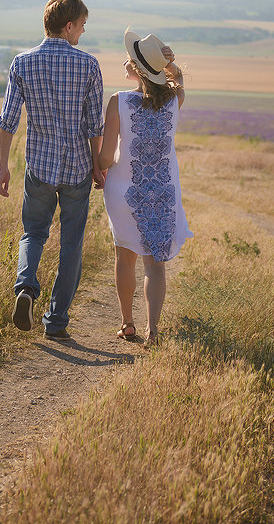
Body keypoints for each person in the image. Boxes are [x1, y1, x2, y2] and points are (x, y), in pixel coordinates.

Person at [0, 0, 104, 341]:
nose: (83, 33)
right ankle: (56, 321)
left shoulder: (21, 63)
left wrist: (2, 167)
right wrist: (98, 165)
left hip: (39, 167)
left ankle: (26, 288)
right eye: (82, 26)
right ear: (68, 25)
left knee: (34, 233)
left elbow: (8, 121)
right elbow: (93, 126)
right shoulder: (88, 65)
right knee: (72, 243)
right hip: (76, 170)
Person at [96, 31, 191, 347]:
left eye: (131, 59)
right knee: (155, 264)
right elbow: (176, 83)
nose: (126, 61)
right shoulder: (174, 101)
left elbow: (108, 157)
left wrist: (95, 162)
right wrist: (171, 65)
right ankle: (153, 331)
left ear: (137, 69)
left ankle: (127, 323)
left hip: (124, 193)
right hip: (162, 193)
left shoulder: (118, 101)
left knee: (125, 258)